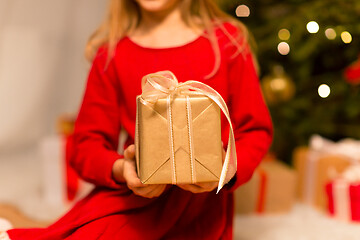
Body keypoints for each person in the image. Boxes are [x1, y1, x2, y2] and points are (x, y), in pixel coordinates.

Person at [4, 0, 273, 239]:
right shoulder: (112, 52)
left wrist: (224, 172)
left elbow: (256, 130)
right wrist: (123, 169)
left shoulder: (226, 41)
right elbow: (86, 144)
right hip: (132, 198)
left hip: (202, 208)